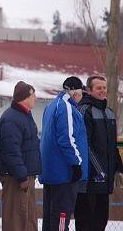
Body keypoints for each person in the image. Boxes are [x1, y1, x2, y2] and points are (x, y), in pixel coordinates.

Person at [74, 75, 123, 231]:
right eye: (98, 88)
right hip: (88, 179)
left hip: (105, 180)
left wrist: (118, 166)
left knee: (101, 220)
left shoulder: (109, 113)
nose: (102, 90)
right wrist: (98, 169)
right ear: (89, 90)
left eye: (104, 87)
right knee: (85, 220)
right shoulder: (84, 110)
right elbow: (84, 145)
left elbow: (112, 145)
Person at [40, 76, 88, 231]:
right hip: (63, 173)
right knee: (61, 216)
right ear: (75, 92)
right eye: (81, 93)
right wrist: (76, 163)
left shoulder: (51, 106)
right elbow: (66, 139)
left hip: (51, 172)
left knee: (49, 216)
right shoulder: (66, 107)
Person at [0, 81, 41, 231]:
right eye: (33, 95)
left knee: (27, 219)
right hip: (16, 178)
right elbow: (11, 152)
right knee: (16, 220)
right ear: (25, 97)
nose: (36, 98)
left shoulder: (24, 116)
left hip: (25, 176)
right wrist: (22, 176)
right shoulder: (12, 119)